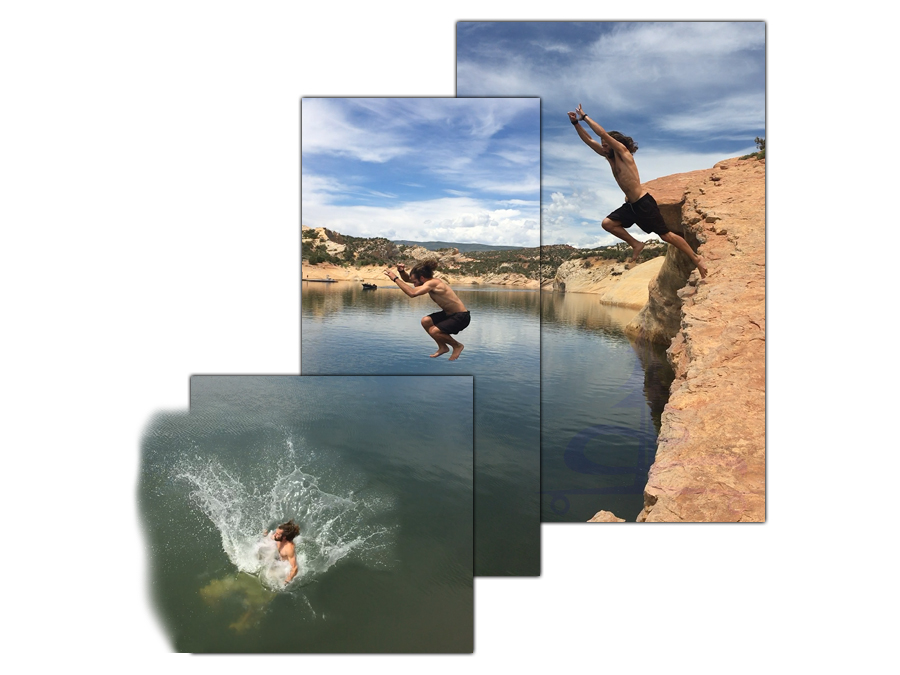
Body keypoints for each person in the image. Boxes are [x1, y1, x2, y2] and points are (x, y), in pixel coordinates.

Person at [568, 103, 708, 278]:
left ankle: (697, 259)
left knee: (666, 236)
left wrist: (584, 116)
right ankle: (636, 244)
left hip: (643, 203)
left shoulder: (624, 154)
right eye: (602, 144)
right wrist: (575, 124)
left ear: (614, 144)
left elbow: (601, 133)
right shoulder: (609, 157)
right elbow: (589, 141)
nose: (602, 146)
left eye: (605, 144)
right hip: (631, 206)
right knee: (607, 224)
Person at [384, 259, 470, 360]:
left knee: (434, 331)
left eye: (415, 282)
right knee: (426, 321)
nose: (414, 285)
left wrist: (395, 279)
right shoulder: (427, 281)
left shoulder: (433, 283)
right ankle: (443, 347)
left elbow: (412, 293)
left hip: (461, 316)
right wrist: (402, 272)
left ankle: (457, 346)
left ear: (422, 278)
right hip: (449, 314)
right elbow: (408, 280)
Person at [263, 520, 300, 584]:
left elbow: (295, 568)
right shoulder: (278, 538)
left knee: (268, 576)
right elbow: (269, 538)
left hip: (285, 567)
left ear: (284, 537)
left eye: (277, 534)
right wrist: (265, 535)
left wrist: (287, 581)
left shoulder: (289, 548)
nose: (275, 535)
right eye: (276, 532)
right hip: (278, 559)